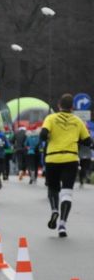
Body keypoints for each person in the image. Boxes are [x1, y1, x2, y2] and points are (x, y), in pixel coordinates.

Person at [41, 93, 92, 237]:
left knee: (53, 188)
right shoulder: (77, 121)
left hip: (53, 158)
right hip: (70, 159)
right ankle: (62, 225)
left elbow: (43, 136)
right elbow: (88, 141)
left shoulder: (50, 118)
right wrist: (76, 139)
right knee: (67, 193)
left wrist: (50, 137)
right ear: (72, 107)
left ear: (59, 105)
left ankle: (54, 210)